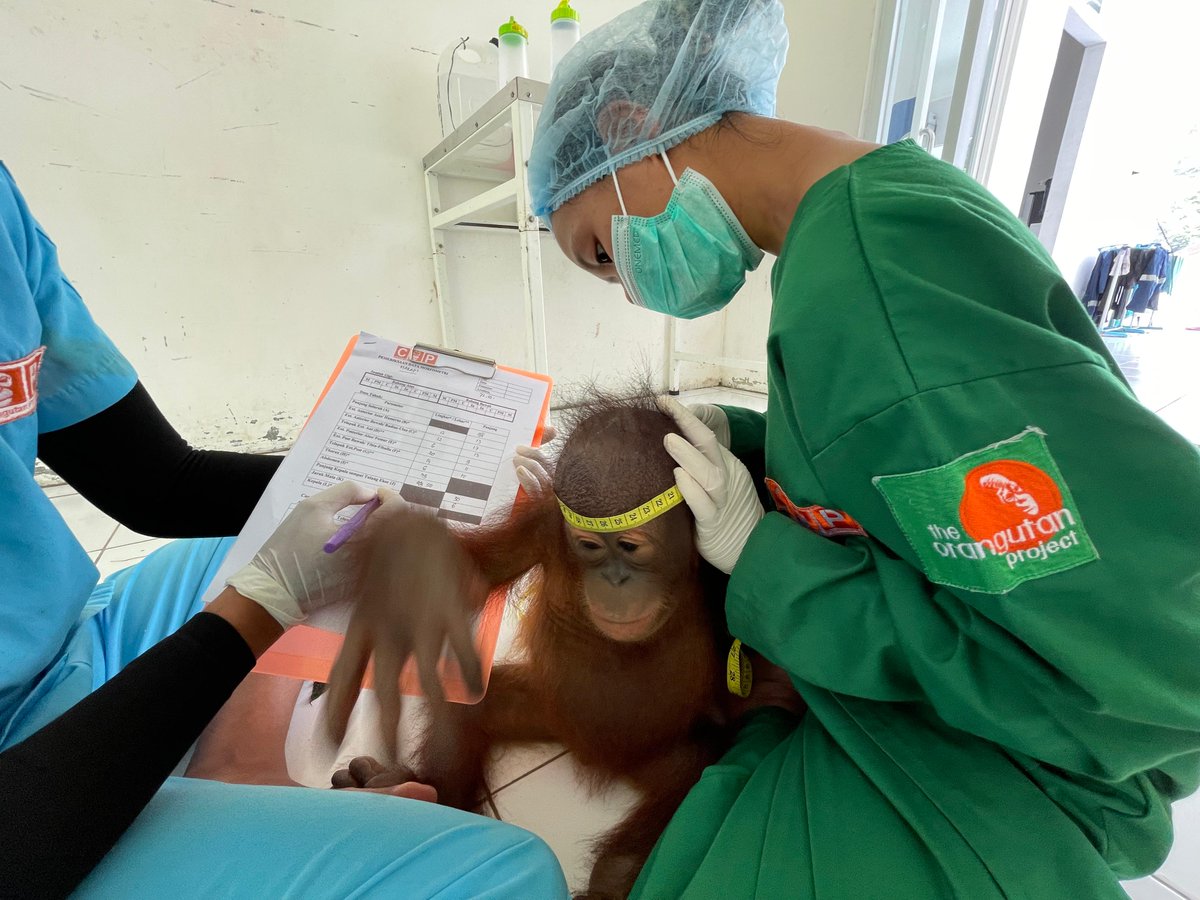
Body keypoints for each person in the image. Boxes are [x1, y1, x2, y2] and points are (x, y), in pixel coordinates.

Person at [513, 0, 1200, 896]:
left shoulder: (874, 278)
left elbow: (1097, 659)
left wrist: (768, 565)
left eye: (603, 251)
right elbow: (903, 461)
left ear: (630, 127)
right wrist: (746, 444)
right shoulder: (868, 218)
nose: (631, 289)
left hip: (1033, 763)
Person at [0, 160, 567, 899]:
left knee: (273, 551)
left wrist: (411, 490)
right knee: (509, 875)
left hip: (56, 644)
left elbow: (155, 483)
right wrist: (253, 610)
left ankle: (239, 764)